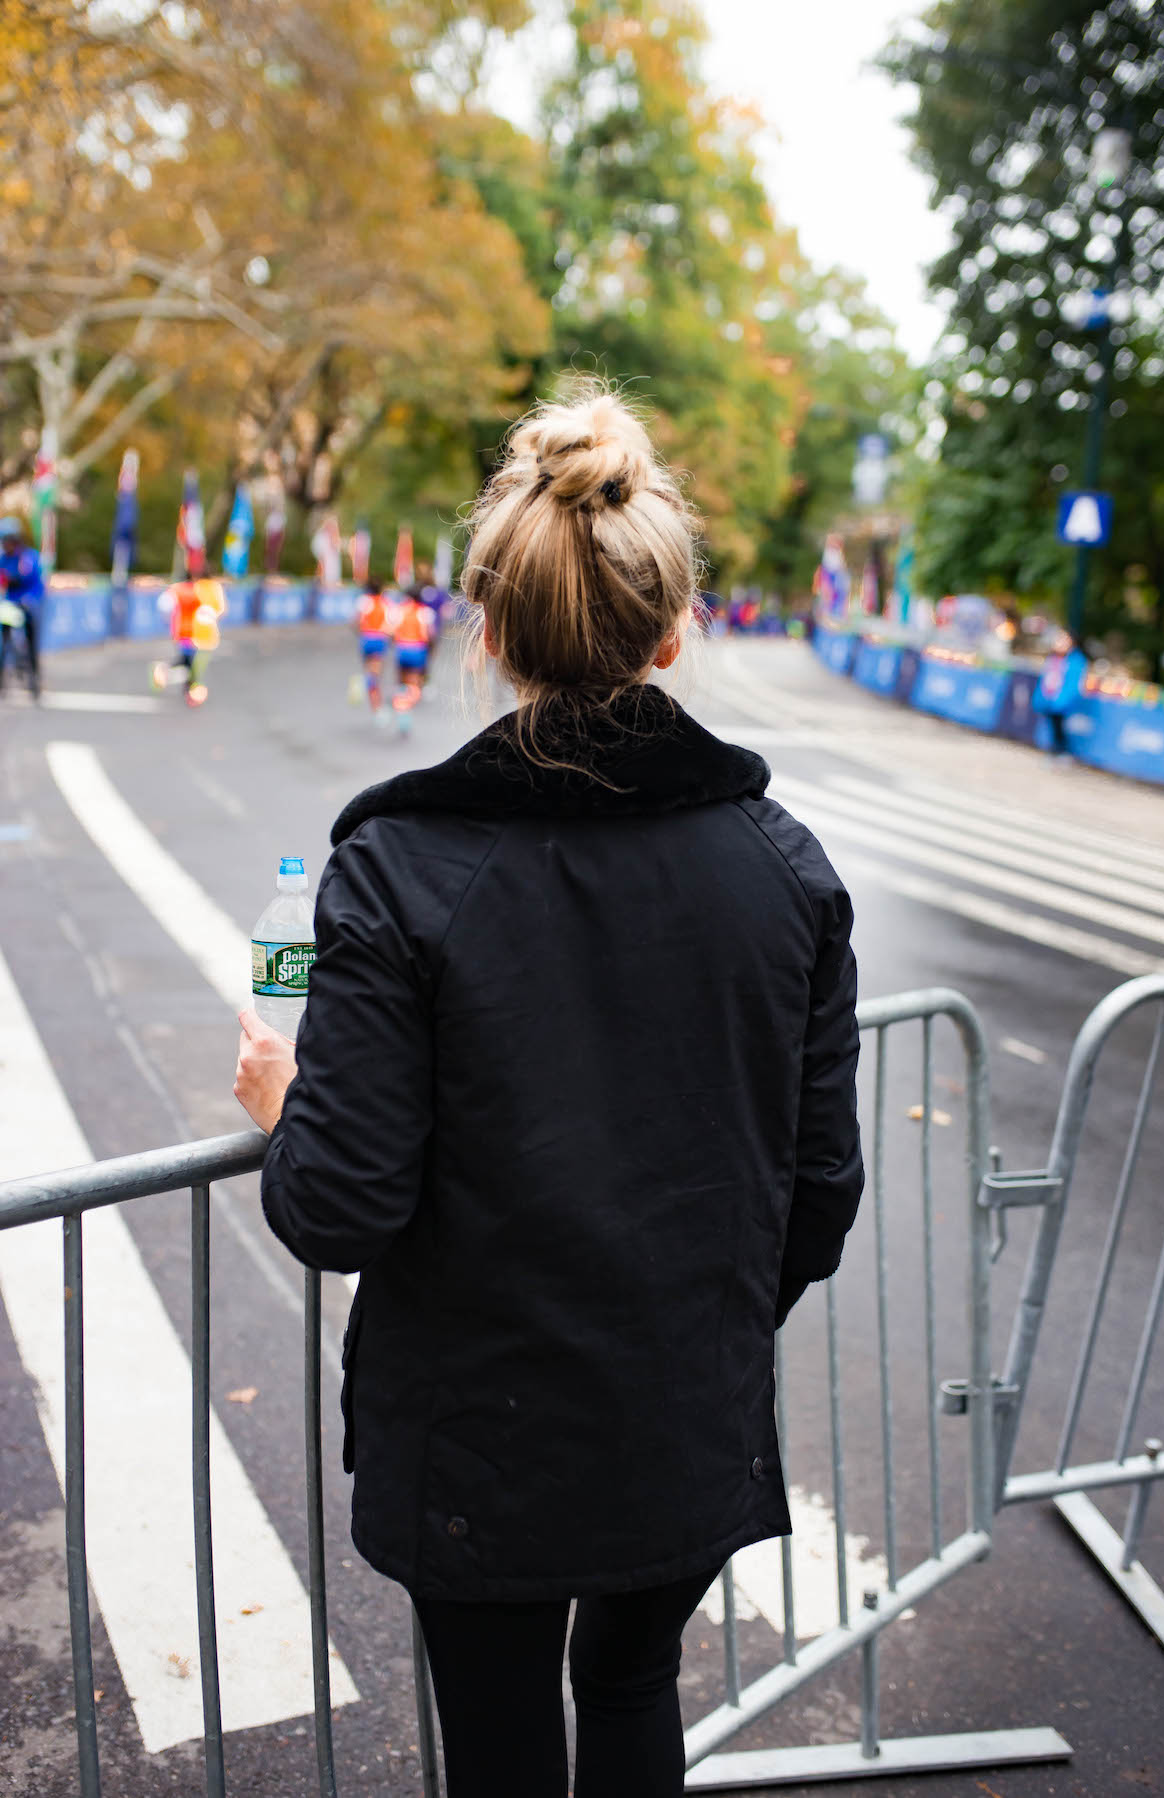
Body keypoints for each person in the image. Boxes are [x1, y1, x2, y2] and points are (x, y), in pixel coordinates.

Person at [233, 386, 863, 1798]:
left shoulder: (399, 867)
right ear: (673, 629)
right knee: (634, 1685)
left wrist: (284, 1098)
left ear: (490, 631)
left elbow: (338, 1201)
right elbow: (820, 1197)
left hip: (480, 1431)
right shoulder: (785, 868)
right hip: (685, 1406)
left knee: (505, 1733)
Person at [152, 568, 226, 705]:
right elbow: (220, 610)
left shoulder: (176, 589)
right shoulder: (207, 589)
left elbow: (163, 606)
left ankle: (180, 682)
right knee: (193, 662)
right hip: (198, 633)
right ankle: (190, 689)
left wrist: (169, 621)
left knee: (188, 660)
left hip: (182, 631)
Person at [0, 516, 45, 699]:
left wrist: (28, 599)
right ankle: (2, 677)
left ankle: (33, 677)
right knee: (4, 640)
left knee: (32, 638)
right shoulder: (4, 559)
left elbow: (33, 582)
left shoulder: (28, 557)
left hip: (28, 602)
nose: (6, 545)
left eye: (9, 541)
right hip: (10, 604)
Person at [1034, 627, 1089, 757]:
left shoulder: (1076, 661)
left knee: (1061, 728)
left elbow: (1073, 684)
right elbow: (1046, 679)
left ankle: (1063, 752)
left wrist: (1061, 701)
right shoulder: (1053, 658)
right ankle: (1056, 751)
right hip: (1049, 698)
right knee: (1053, 726)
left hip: (1063, 702)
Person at [390, 583, 436, 720]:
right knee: (414, 684)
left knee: (402, 683)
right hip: (417, 650)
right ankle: (407, 706)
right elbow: (430, 634)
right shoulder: (425, 612)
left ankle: (401, 710)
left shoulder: (399, 610)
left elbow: (392, 631)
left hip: (402, 649)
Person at [354, 576, 394, 717]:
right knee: (375, 675)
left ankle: (375, 706)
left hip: (366, 638)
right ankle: (376, 706)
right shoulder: (386, 603)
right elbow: (390, 626)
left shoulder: (363, 601)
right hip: (379, 639)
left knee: (369, 671)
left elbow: (356, 622)